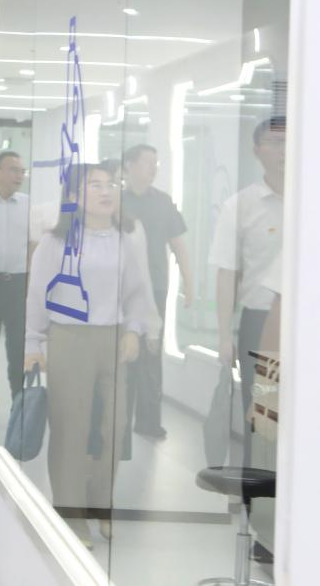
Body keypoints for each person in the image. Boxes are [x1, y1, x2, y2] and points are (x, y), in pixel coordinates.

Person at [24, 163, 159, 549]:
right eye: (94, 185)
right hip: (69, 338)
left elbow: (138, 290)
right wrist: (33, 344)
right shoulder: (56, 241)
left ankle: (101, 503)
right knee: (72, 428)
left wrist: (134, 330)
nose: (105, 191)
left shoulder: (126, 238)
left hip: (113, 338)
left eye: (110, 184)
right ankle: (71, 513)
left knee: (114, 427)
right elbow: (37, 294)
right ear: (74, 196)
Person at [210, 116, 285, 465]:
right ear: (257, 151)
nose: (284, 150)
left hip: (317, 326)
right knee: (263, 420)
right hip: (260, 325)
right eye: (275, 143)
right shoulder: (240, 206)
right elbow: (227, 273)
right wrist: (225, 335)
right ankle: (259, 494)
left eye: (290, 142)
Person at [120, 144, 195, 440]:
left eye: (156, 162)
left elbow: (179, 245)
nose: (154, 168)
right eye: (147, 162)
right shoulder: (115, 200)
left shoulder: (163, 202)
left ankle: (149, 421)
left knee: (152, 354)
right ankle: (120, 421)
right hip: (122, 290)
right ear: (129, 165)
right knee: (125, 353)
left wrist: (189, 283)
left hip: (156, 288)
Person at [0, 150, 30, 419]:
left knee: (18, 348)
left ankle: (20, 403)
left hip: (18, 284)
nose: (19, 175)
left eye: (22, 171)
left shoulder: (27, 206)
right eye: (13, 169)